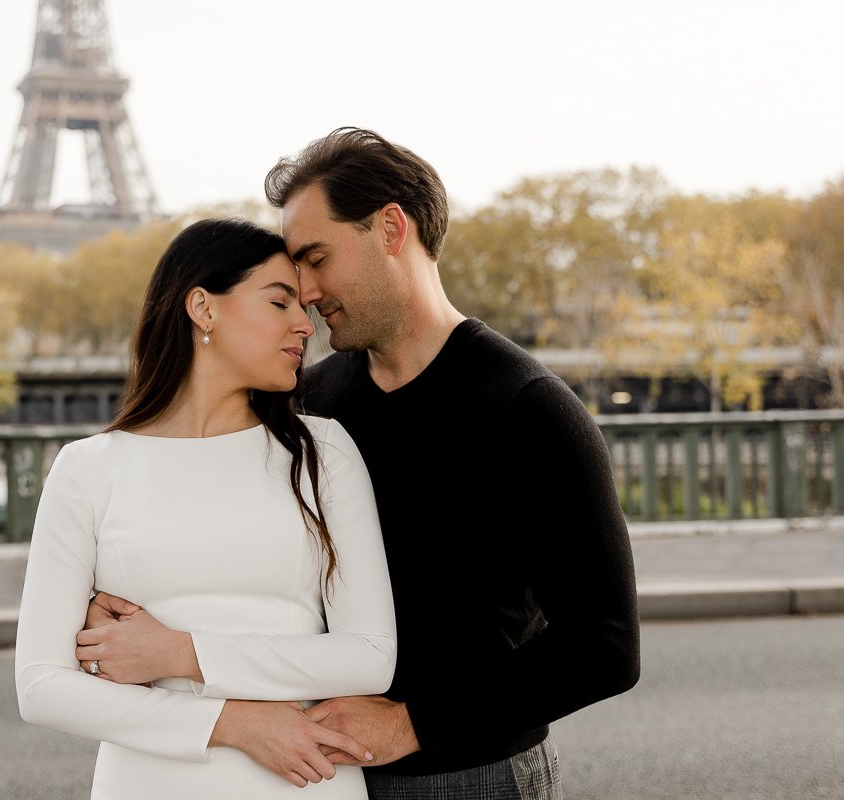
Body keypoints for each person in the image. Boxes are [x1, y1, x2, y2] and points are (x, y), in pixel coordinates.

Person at [90, 128, 641, 799]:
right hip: (316, 775)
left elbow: (605, 646)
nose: (307, 289)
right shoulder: (311, 401)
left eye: (316, 257)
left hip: (468, 775)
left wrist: (414, 723)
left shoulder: (529, 408)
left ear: (389, 228)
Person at [14, 217, 398, 799]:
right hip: (150, 783)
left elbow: (371, 659)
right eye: (279, 301)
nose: (305, 323)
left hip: (302, 782)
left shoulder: (322, 453)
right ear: (202, 307)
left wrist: (179, 654)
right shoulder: (88, 468)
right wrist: (231, 722)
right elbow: (41, 685)